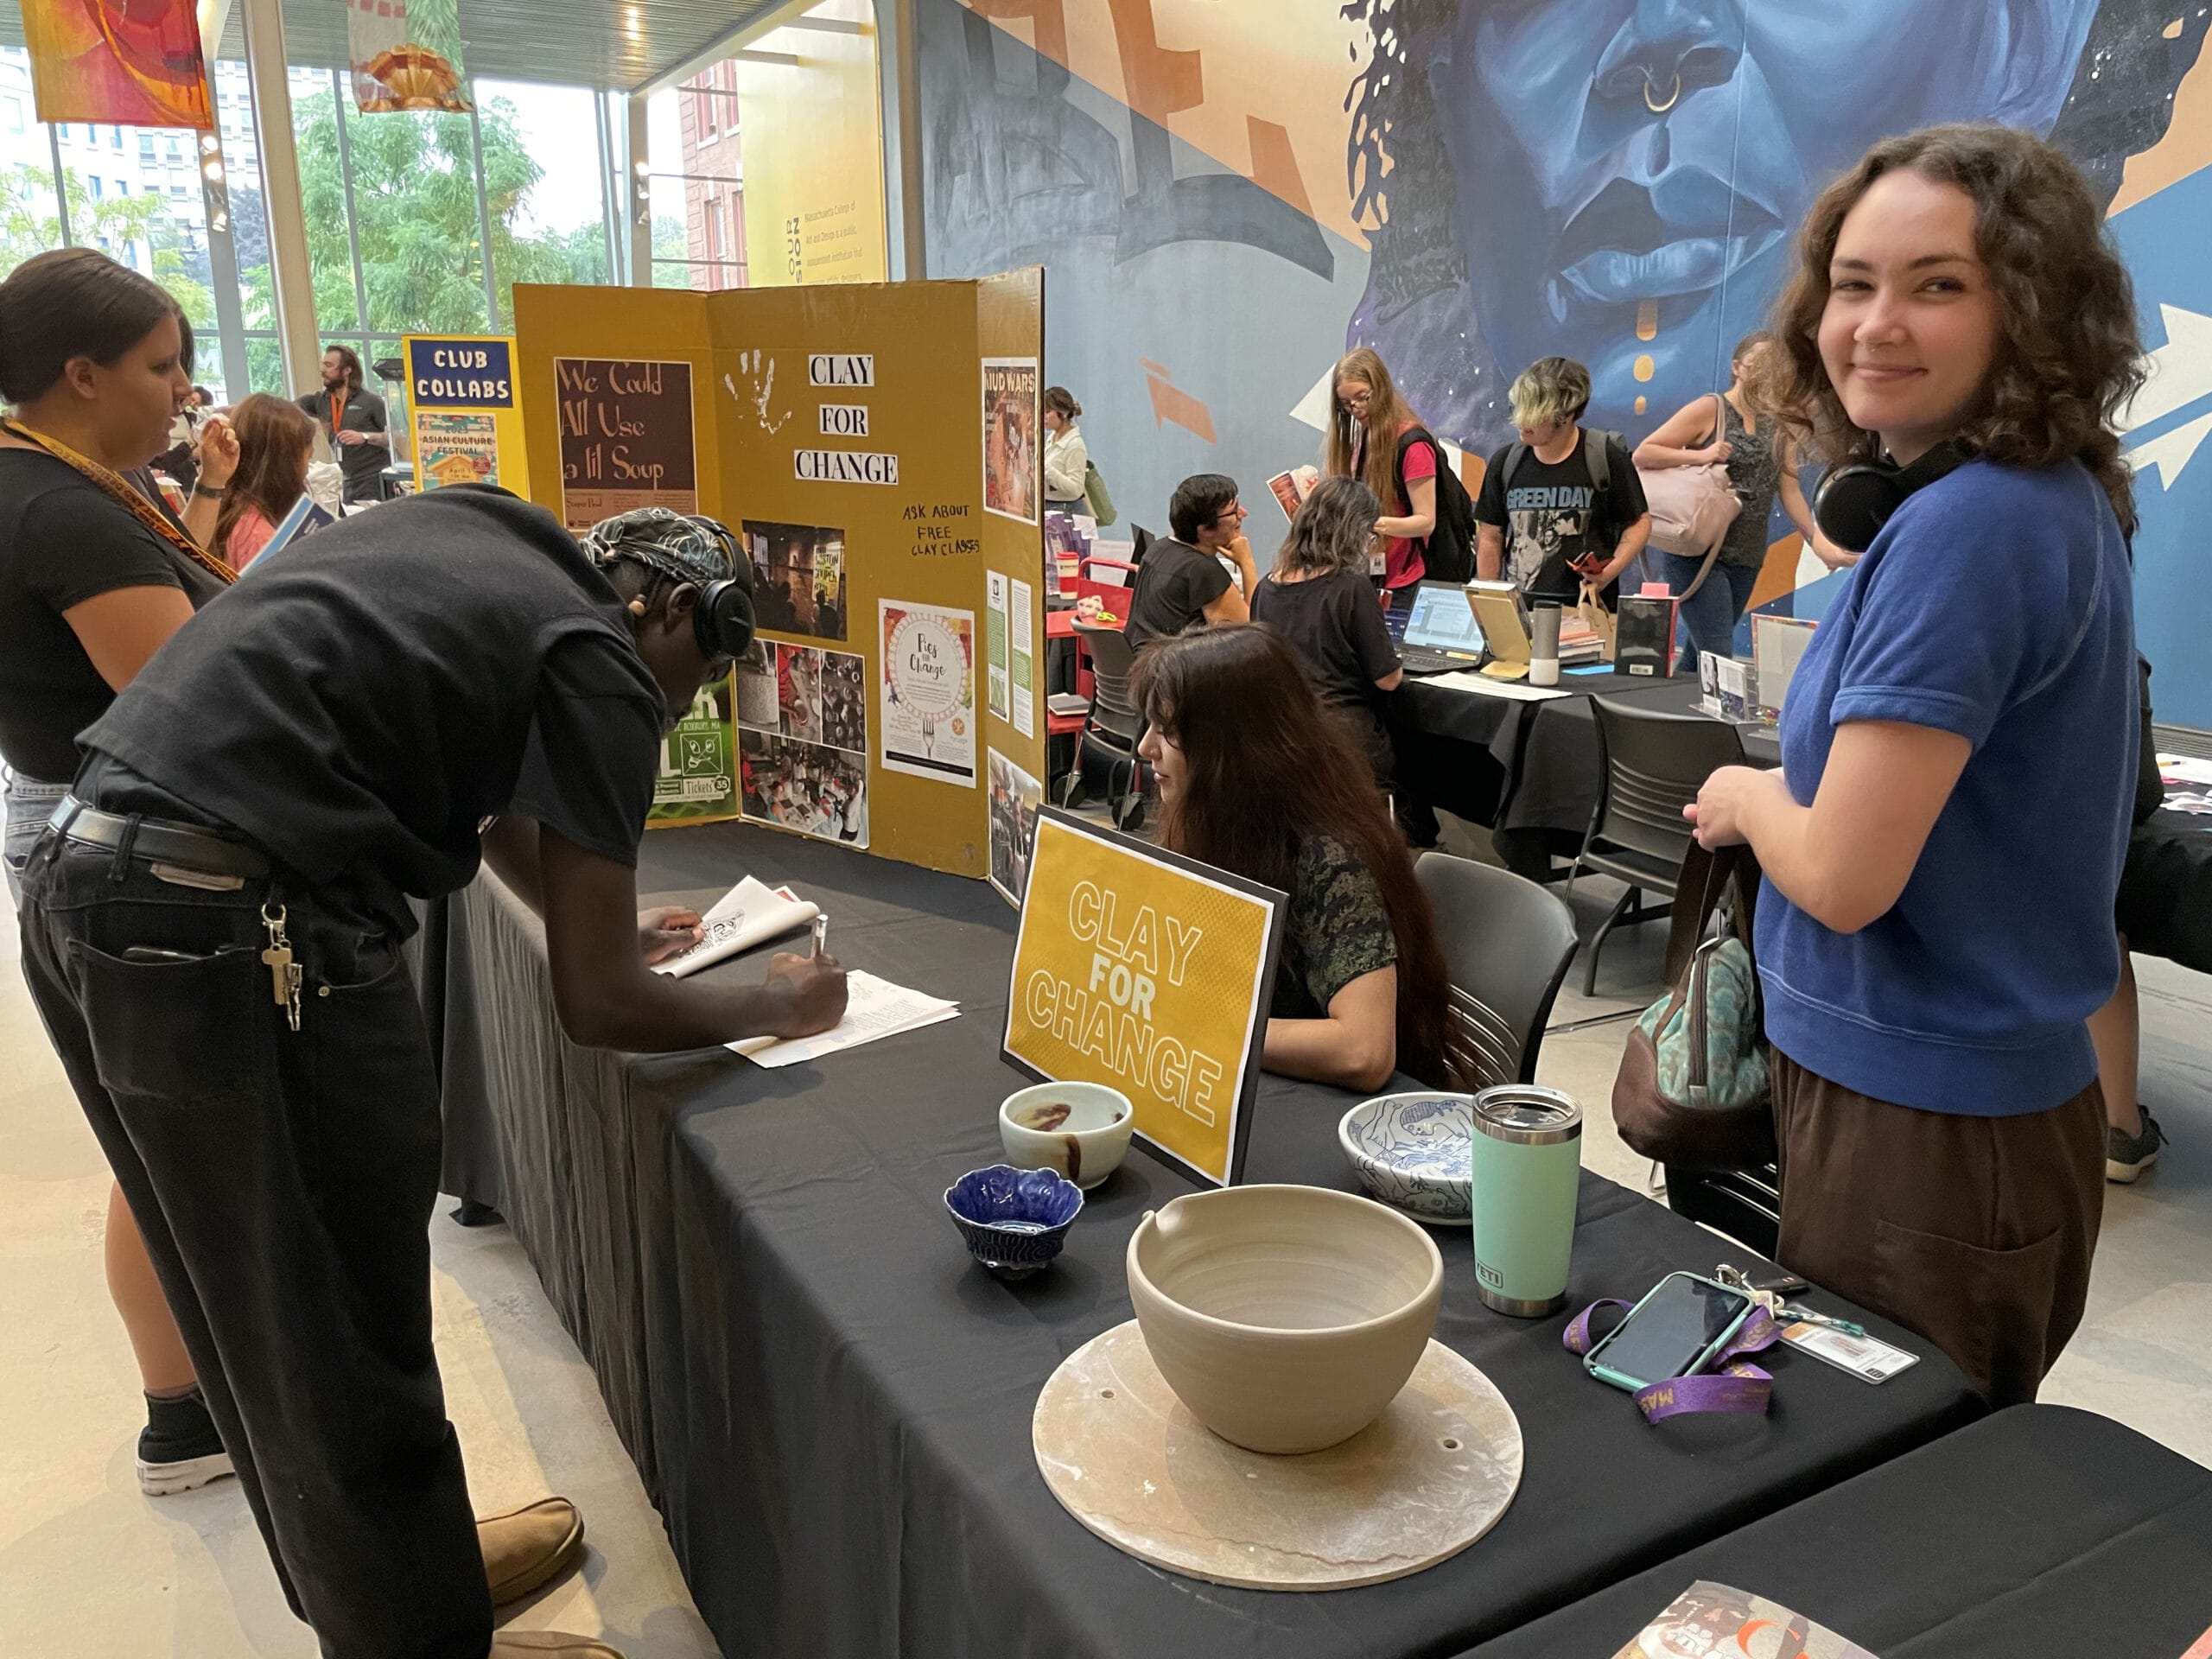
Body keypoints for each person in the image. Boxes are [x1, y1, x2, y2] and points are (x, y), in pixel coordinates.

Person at [15, 494, 849, 1659]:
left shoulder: (489, 539)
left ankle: (403, 1584)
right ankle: (418, 1632)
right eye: (693, 681)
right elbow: (599, 1003)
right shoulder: (606, 657)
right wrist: (777, 1001)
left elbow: (486, 790)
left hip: (91, 886)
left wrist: (586, 912)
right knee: (346, 1335)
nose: (678, 707)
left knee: (261, 1328)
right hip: (235, 929)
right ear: (670, 611)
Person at [1688, 124, 2141, 1408]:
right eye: (1854, 283)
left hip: (1928, 1133)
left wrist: (1748, 796)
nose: (1878, 323)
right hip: (1942, 1112)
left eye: (1938, 285)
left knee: (1886, 1515)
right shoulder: (2024, 499)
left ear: (2032, 312)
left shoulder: (1972, 527)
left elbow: (1840, 874)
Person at [0, 246, 240, 1498]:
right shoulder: (61, 510)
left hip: (73, 831)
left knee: (151, 1131)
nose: (183, 389)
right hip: (135, 858)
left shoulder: (60, 486)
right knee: (175, 1138)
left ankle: (184, 1408)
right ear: (81, 375)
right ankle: (189, 1410)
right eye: (163, 366)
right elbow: (191, 699)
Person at [1132, 625, 1452, 1091]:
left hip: (1341, 1119)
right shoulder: (1218, 824)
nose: (1145, 748)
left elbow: (1363, 1052)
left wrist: (1208, 1031)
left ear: (1233, 749)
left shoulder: (1329, 860)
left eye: (1169, 731)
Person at [1632, 332, 1824, 659]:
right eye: (1758, 366)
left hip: (1747, 553)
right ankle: (1699, 710)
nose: (1767, 375)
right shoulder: (1713, 408)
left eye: (1775, 368)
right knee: (1718, 651)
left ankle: (1675, 707)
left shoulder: (1779, 423)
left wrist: (1819, 541)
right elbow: (1644, 454)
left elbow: (1790, 491)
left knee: (1700, 655)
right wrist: (1700, 456)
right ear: (1738, 367)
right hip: (1700, 548)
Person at [1249, 476, 1403, 783]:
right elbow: (1388, 679)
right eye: (1370, 536)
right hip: (1343, 741)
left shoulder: (1265, 588)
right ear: (1354, 531)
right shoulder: (1352, 587)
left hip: (1279, 737)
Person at [1475, 356, 1651, 607]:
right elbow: (1490, 536)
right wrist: (1491, 602)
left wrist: (1611, 570)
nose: (1522, 422)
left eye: (1535, 414)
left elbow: (1639, 522)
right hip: (1521, 611)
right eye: (1520, 408)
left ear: (1566, 415)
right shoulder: (1505, 462)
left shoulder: (1605, 457)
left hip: (1587, 611)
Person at [1323, 346, 1439, 605]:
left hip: (1404, 582)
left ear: (1381, 388)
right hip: (1367, 575)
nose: (1356, 408)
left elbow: (1425, 521)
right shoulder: (1360, 439)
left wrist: (1368, 523)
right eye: (1346, 403)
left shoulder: (1412, 445)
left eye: (1363, 397)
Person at [1122, 474, 1258, 649]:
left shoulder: (1159, 548)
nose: (1243, 513)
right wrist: (1247, 563)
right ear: (1204, 529)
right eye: (1234, 511)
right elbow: (1251, 636)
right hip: (1172, 671)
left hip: (1142, 665)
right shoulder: (1203, 570)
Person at [215, 392, 319, 571]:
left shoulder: (237, 510)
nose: (307, 471)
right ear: (283, 464)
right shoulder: (258, 538)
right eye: (307, 460)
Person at [299, 342, 389, 505]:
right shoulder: (321, 401)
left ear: (347, 370)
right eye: (323, 365)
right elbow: (283, 408)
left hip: (374, 479)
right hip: (348, 481)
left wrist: (365, 437)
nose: (323, 370)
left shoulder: (370, 402)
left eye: (329, 365)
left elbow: (396, 437)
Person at [1042, 385, 1089, 512]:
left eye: (1047, 411)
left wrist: (1047, 471)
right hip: (1048, 507)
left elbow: (1076, 489)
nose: (1043, 416)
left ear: (1063, 413)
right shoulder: (1052, 438)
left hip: (1066, 512)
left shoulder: (1075, 445)